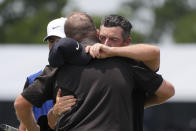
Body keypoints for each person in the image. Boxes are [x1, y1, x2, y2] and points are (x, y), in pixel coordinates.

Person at [14, 12, 175, 131]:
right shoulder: (48, 73)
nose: (58, 46)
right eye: (53, 41)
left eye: (113, 40)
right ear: (97, 34)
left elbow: (154, 54)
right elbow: (48, 123)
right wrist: (54, 114)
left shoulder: (127, 64)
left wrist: (136, 102)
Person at [18, 17, 77, 131]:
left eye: (60, 40)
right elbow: (23, 127)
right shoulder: (33, 80)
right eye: (51, 41)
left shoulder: (86, 78)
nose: (55, 46)